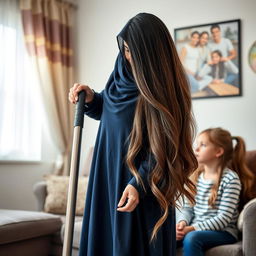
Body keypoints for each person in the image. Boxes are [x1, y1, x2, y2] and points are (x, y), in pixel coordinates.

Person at [69, 13, 198, 256]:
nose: (127, 56)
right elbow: (112, 113)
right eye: (125, 49)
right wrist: (92, 99)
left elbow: (167, 145)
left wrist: (138, 184)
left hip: (142, 184)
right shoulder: (120, 79)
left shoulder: (164, 93)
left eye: (132, 51)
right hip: (107, 179)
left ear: (149, 54)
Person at [176, 127, 254, 256]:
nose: (196, 149)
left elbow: (223, 218)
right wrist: (182, 224)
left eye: (203, 145)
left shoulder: (230, 179)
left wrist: (191, 229)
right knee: (165, 235)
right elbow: (187, 209)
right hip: (194, 228)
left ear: (218, 151)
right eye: (197, 144)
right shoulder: (195, 178)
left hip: (223, 232)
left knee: (192, 238)